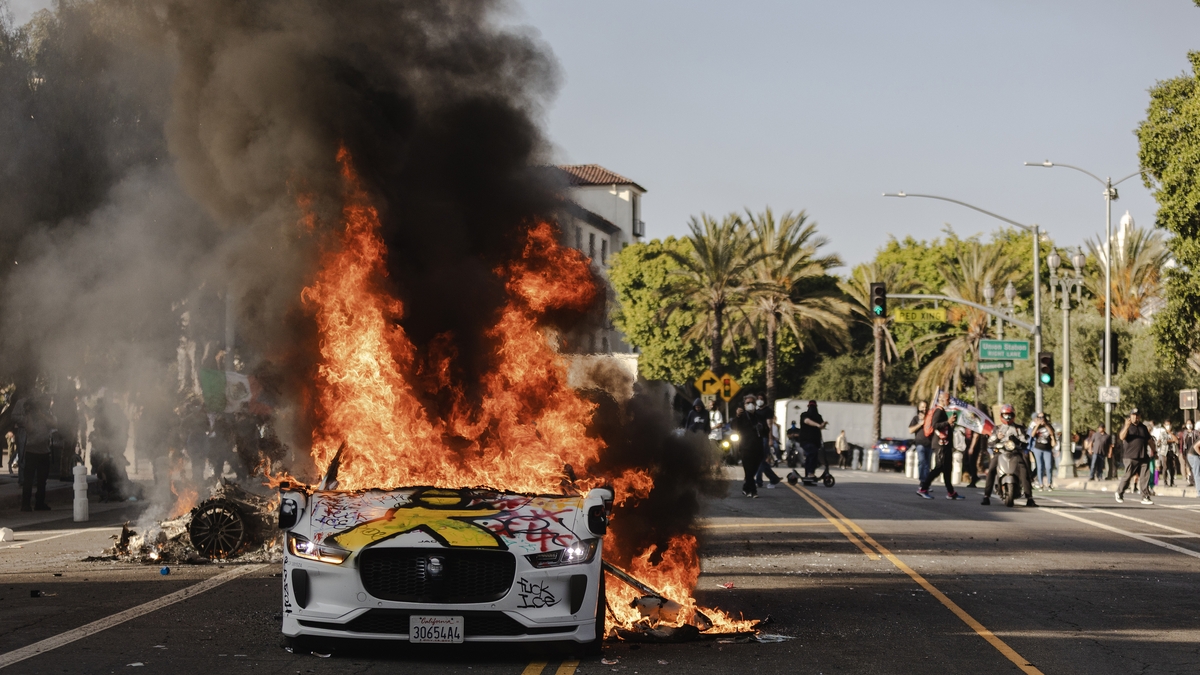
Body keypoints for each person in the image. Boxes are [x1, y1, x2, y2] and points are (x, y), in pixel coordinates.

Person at [981, 403, 1036, 507]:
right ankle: (986, 496)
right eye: (1005, 415)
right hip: (1000, 453)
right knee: (991, 470)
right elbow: (990, 442)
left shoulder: (1018, 428)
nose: (1007, 417)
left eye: (1009, 415)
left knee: (1024, 470)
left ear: (1013, 415)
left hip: (1015, 454)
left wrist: (1017, 440)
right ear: (1001, 415)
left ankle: (1030, 498)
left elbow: (1025, 440)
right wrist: (998, 438)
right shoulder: (997, 428)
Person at [917, 391, 964, 500]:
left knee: (947, 468)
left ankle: (951, 492)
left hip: (945, 444)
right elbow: (935, 425)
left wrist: (949, 423)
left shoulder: (942, 411)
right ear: (942, 400)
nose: (950, 401)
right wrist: (947, 422)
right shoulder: (938, 411)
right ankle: (923, 488)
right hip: (940, 445)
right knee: (938, 468)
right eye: (948, 399)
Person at [17, 396, 56, 512]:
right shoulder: (29, 417)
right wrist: (29, 414)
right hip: (31, 451)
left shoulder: (46, 415)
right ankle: (25, 504)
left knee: (42, 481)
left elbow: (54, 424)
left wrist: (42, 415)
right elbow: (30, 429)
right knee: (28, 480)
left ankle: (40, 503)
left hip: (44, 452)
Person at [1116, 408, 1156, 504]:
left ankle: (1145, 496)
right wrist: (1126, 426)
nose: (1135, 417)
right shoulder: (1127, 426)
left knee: (1145, 477)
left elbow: (1149, 440)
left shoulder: (1143, 427)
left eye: (1137, 415)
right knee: (1128, 475)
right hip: (1130, 456)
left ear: (1140, 417)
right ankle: (1119, 492)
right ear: (1130, 416)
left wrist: (1154, 450)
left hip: (1143, 456)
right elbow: (1121, 437)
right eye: (1133, 415)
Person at [733, 406, 762, 497]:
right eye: (748, 403)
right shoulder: (742, 417)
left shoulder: (758, 416)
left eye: (752, 402)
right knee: (748, 469)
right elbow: (734, 426)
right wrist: (737, 416)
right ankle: (753, 491)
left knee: (753, 469)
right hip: (745, 447)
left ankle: (746, 487)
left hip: (758, 447)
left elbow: (766, 430)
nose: (751, 405)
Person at [798, 400, 827, 478]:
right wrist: (817, 425)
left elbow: (821, 426)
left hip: (815, 441)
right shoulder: (804, 415)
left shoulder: (818, 416)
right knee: (811, 454)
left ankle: (809, 474)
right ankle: (810, 472)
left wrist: (823, 424)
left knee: (812, 456)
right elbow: (807, 421)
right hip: (806, 440)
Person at [1030, 413, 1057, 490]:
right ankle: (1041, 484)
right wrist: (1038, 425)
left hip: (1047, 449)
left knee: (1048, 466)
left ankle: (1049, 483)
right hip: (1038, 448)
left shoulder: (1048, 425)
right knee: (1040, 466)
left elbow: (1052, 433)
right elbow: (1032, 435)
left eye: (1042, 417)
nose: (1041, 418)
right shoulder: (1036, 426)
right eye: (1040, 417)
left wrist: (1046, 425)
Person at [908, 400, 931, 483]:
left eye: (925, 407)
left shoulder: (930, 419)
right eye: (922, 407)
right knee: (922, 462)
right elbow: (910, 430)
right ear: (918, 408)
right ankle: (922, 481)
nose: (924, 409)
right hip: (920, 444)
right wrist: (920, 424)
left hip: (929, 444)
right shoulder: (916, 418)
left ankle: (926, 483)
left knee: (927, 464)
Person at [1156, 421, 1179, 487]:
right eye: (1167, 425)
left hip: (1172, 451)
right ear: (1164, 425)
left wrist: (1171, 434)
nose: (1168, 426)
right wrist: (1172, 440)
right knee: (1165, 467)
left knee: (1172, 467)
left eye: (1169, 425)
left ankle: (1172, 482)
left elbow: (1177, 440)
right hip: (1164, 452)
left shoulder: (1174, 432)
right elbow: (1164, 441)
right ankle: (1165, 482)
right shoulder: (1162, 433)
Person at [1179, 420, 1196, 487]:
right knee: (1189, 466)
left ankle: (1195, 480)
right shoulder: (1184, 433)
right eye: (1188, 424)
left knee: (1195, 467)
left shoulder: (1196, 433)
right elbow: (1182, 443)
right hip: (1187, 452)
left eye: (1190, 423)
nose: (1189, 425)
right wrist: (1182, 452)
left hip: (1195, 452)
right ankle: (1191, 481)